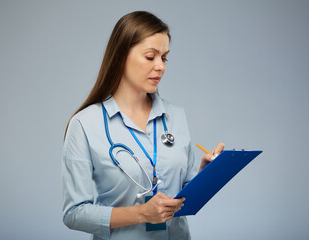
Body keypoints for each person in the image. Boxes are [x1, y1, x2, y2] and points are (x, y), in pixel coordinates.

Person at [62, 11, 225, 240]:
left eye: (165, 58)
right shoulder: (84, 124)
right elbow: (74, 214)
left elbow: (183, 195)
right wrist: (141, 213)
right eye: (150, 57)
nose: (161, 66)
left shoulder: (176, 116)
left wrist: (206, 173)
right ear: (120, 56)